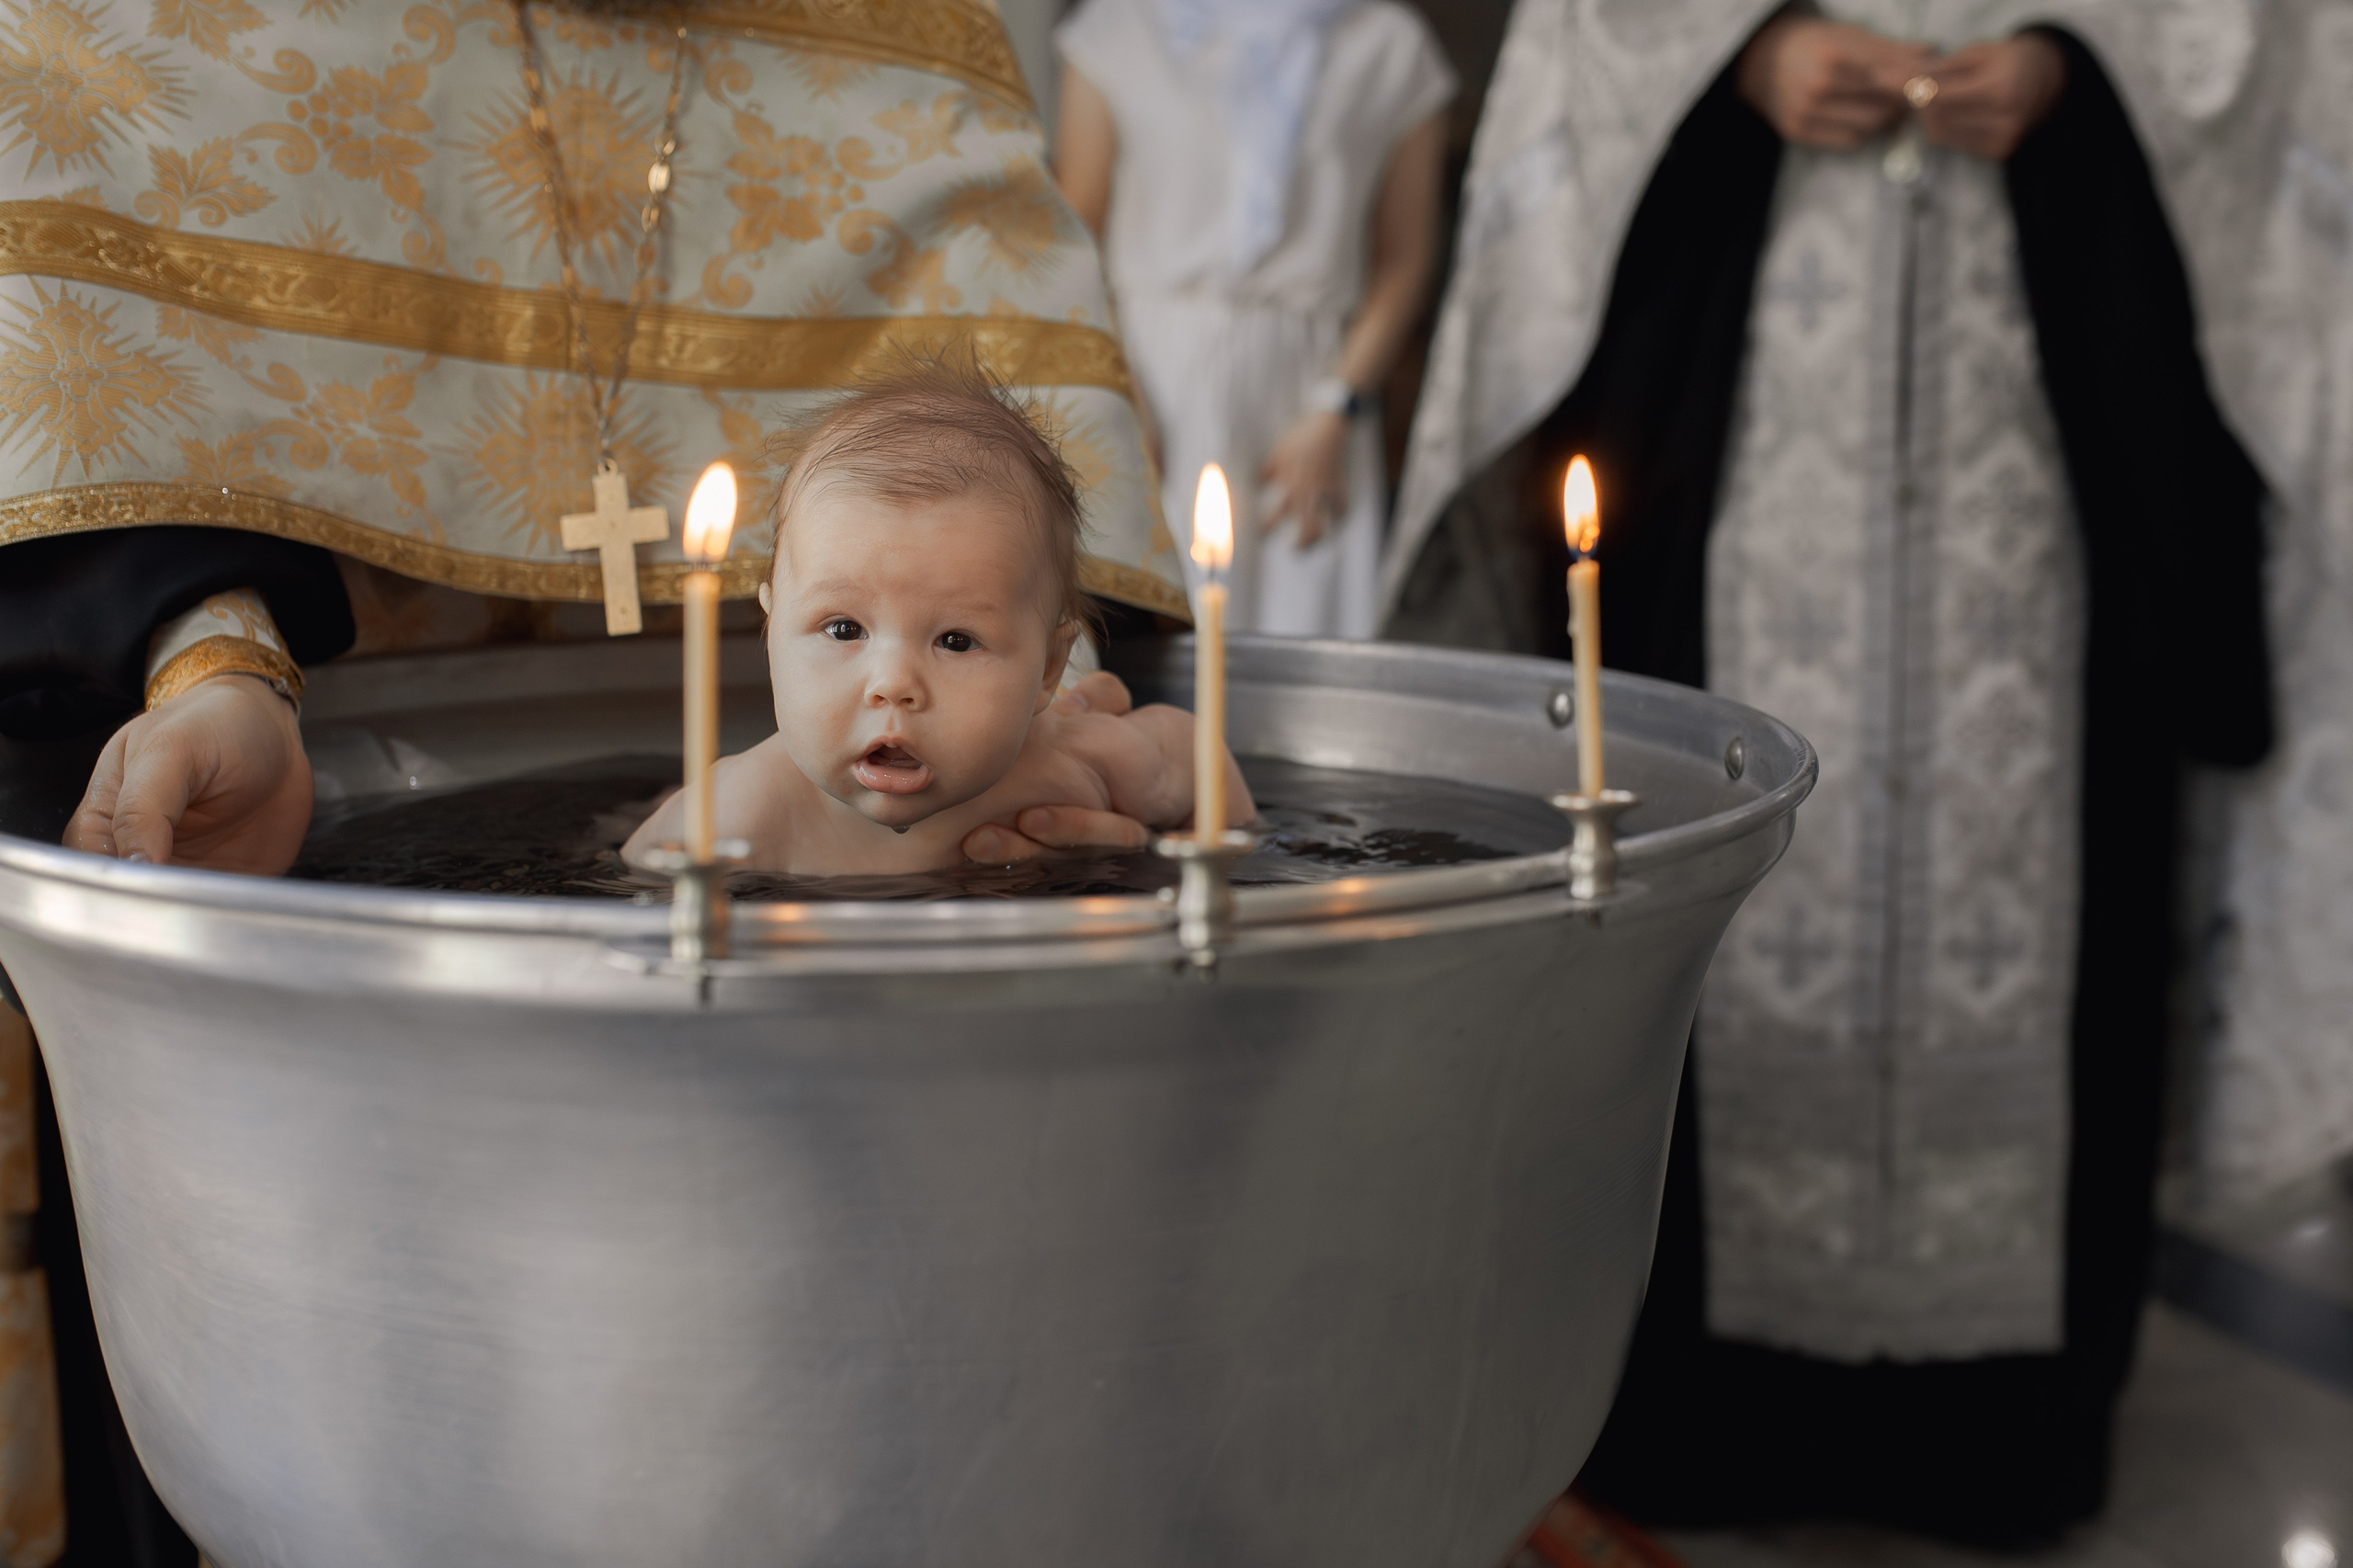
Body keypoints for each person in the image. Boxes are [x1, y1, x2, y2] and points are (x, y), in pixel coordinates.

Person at [0, 2, 1181, 1558]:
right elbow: (95, 390)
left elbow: (1032, 525)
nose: (897, 675)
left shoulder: (896, 37)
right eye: (840, 629)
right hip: (353, 973)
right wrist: (215, 660)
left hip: (895, 1090)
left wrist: (1068, 715)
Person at [1380, 0, 2344, 1548]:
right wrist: (1744, 56)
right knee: (1719, 825)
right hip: (1752, 391)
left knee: (2044, 847)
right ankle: (1712, 1411)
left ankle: (2008, 1436)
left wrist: (2075, 77)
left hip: (2044, 416)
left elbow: (2241, 52)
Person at [625, 364, 1248, 873]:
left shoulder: (1077, 761)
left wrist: (1168, 859)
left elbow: (1201, 766)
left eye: (955, 640)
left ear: (1049, 669)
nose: (893, 683)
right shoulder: (738, 814)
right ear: (771, 635)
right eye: (844, 629)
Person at [1052, 0, 1455, 638]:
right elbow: (1074, 238)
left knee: (1303, 637)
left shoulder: (1391, 46)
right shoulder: (1117, 28)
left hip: (1309, 397)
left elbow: (1403, 260)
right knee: (1148, 640)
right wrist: (1117, 395)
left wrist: (1336, 407)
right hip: (1149, 382)